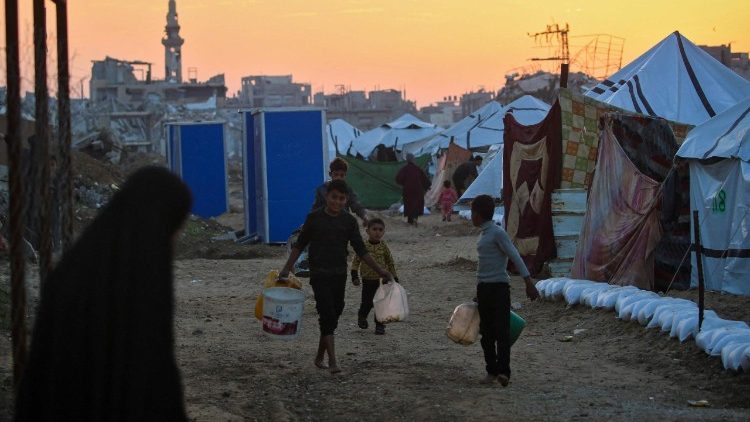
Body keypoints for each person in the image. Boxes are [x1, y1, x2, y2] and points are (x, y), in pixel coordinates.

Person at [15, 166, 192, 421]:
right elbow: (155, 372)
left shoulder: (73, 269)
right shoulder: (144, 280)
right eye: (174, 227)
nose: (175, 237)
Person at [279, 180, 393, 374]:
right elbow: (299, 245)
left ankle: (319, 356)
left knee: (335, 312)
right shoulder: (313, 218)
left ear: (346, 199)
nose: (337, 202)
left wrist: (380, 270)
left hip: (339, 274)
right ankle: (332, 360)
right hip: (319, 274)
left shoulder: (348, 221)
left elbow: (361, 250)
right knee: (327, 314)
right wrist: (286, 269)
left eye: (342, 198)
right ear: (327, 197)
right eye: (334, 197)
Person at [470, 194, 539, 387]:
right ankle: (491, 371)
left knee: (501, 332)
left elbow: (514, 255)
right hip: (484, 289)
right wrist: (478, 289)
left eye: (473, 213)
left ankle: (504, 372)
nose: (472, 218)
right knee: (486, 334)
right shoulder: (483, 234)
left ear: (478, 214)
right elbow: (483, 265)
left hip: (499, 288)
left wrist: (528, 282)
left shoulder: (497, 233)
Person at [294, 157, 368, 276]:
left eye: (342, 175)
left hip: (341, 225)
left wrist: (364, 216)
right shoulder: (322, 190)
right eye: (336, 174)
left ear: (345, 175)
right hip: (323, 224)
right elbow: (315, 207)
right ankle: (308, 265)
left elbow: (355, 204)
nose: (339, 177)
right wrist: (308, 223)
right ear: (330, 174)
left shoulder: (347, 190)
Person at [350, 218, 398, 335]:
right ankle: (362, 316)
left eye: (380, 230)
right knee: (367, 302)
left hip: (383, 281)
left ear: (383, 232)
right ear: (367, 231)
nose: (377, 232)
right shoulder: (363, 246)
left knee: (381, 303)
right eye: (374, 229)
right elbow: (356, 262)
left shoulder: (384, 246)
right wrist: (354, 276)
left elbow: (390, 261)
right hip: (367, 280)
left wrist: (395, 277)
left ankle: (380, 326)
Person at [395, 153, 431, 226]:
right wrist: (427, 186)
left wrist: (404, 184)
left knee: (409, 205)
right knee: (416, 204)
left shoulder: (404, 169)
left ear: (407, 160)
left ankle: (410, 220)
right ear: (413, 159)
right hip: (417, 190)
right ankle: (415, 219)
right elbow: (424, 179)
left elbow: (398, 178)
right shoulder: (417, 169)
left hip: (408, 190)